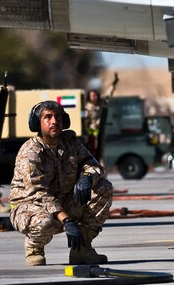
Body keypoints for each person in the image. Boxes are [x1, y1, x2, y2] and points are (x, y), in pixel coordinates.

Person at [10, 100, 113, 266]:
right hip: (30, 206)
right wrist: (67, 220)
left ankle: (81, 249)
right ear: (37, 123)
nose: (54, 121)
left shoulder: (71, 142)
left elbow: (93, 165)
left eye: (58, 117)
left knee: (104, 188)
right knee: (44, 222)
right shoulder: (31, 152)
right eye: (48, 117)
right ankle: (34, 247)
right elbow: (38, 194)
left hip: (64, 200)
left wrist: (86, 177)